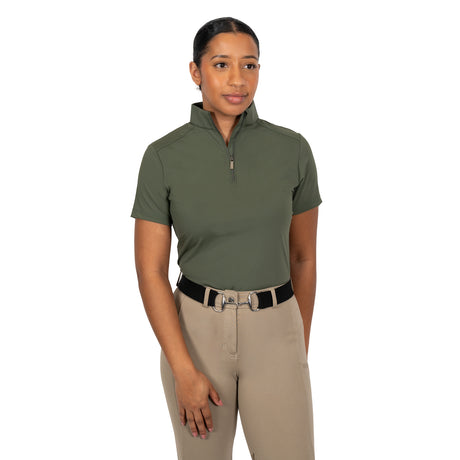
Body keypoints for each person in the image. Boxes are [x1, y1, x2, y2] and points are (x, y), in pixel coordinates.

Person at [130, 16, 322, 460]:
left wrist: (296, 343)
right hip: (195, 333)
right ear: (195, 72)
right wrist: (183, 369)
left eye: (249, 65)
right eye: (221, 64)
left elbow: (303, 258)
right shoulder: (163, 157)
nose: (238, 79)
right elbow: (150, 270)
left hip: (277, 330)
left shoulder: (292, 150)